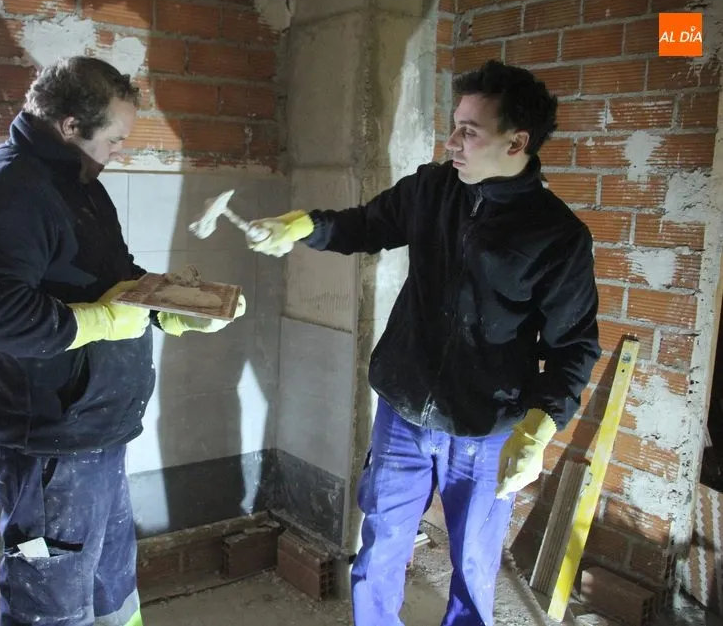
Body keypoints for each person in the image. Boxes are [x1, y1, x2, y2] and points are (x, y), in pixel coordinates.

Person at [245, 59, 601, 626]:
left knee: (475, 563)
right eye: (454, 125)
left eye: (469, 131)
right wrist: (306, 225)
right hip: (404, 408)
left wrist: (541, 424)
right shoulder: (433, 189)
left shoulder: (557, 235)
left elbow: (573, 345)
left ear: (516, 142)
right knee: (380, 550)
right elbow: (366, 225)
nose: (451, 141)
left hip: (486, 425)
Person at [0, 56, 245, 626]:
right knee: (53, 607)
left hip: (96, 431)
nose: (118, 151)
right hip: (49, 445)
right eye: (114, 139)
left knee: (112, 593)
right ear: (69, 125)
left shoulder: (78, 185)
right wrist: (101, 322)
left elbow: (115, 278)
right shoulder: (6, 191)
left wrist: (173, 310)